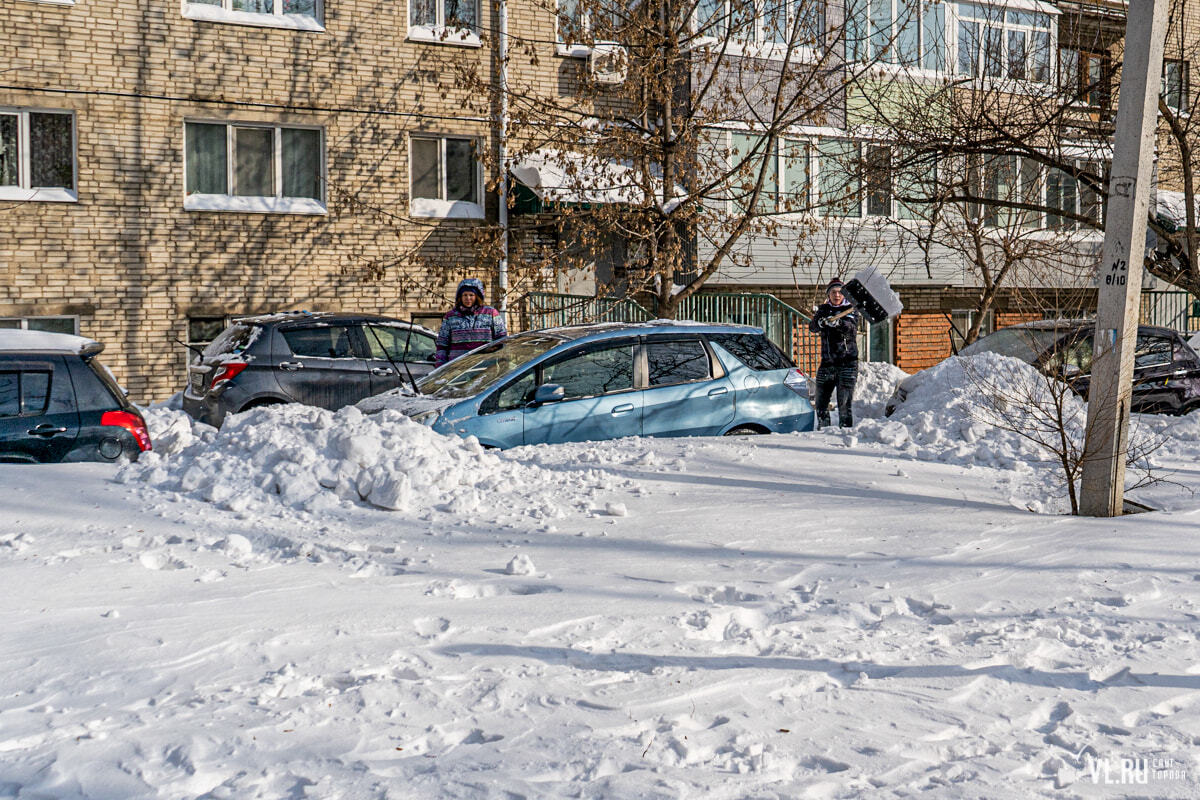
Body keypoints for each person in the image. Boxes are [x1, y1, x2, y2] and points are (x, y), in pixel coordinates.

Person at [808, 277, 860, 428]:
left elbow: (851, 328)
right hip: (827, 364)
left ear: (844, 294)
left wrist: (838, 322)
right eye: (833, 292)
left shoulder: (851, 309)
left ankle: (846, 435)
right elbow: (812, 327)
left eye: (839, 292)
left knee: (844, 405)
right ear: (828, 294)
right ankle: (824, 433)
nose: (837, 295)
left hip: (847, 363)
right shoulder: (823, 310)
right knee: (821, 404)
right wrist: (819, 322)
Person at [434, 278, 508, 366]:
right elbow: (442, 344)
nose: (468, 298)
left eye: (471, 295)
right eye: (465, 295)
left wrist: (500, 359)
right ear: (460, 297)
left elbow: (502, 339)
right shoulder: (450, 317)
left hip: (485, 367)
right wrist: (440, 365)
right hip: (457, 369)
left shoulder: (491, 313)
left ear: (477, 296)